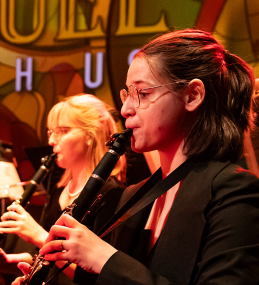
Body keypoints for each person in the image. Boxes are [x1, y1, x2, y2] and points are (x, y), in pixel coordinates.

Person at [16, 29, 259, 285]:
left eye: (142, 94)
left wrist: (104, 257)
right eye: (127, 95)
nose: (125, 110)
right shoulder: (133, 196)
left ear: (192, 95)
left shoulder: (235, 193)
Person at [0, 94, 126, 284]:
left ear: (90, 134)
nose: (52, 141)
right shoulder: (61, 189)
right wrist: (6, 263)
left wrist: (39, 235)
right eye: (50, 132)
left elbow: (96, 275)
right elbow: (45, 258)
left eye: (62, 131)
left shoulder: (111, 194)